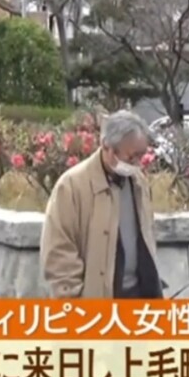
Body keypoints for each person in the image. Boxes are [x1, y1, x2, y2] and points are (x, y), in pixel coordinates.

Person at [41, 110, 163, 299]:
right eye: (131, 157)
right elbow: (59, 253)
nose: (137, 164)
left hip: (140, 294)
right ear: (107, 147)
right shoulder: (72, 186)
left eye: (141, 156)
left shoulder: (138, 182)